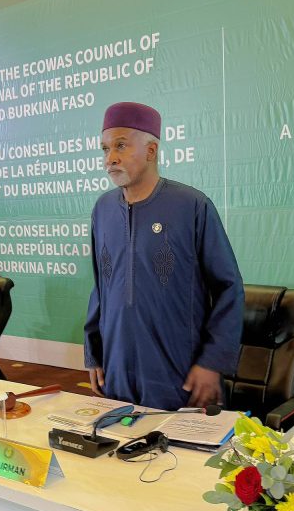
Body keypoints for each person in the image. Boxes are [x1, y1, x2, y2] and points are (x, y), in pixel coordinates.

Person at [83, 102, 244, 411]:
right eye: (105, 149)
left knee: (176, 441)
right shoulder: (102, 210)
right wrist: (94, 354)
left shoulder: (191, 206)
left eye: (120, 146)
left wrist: (212, 362)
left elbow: (228, 287)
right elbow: (101, 287)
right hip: (117, 368)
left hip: (178, 371)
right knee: (121, 438)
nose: (110, 158)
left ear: (151, 150)